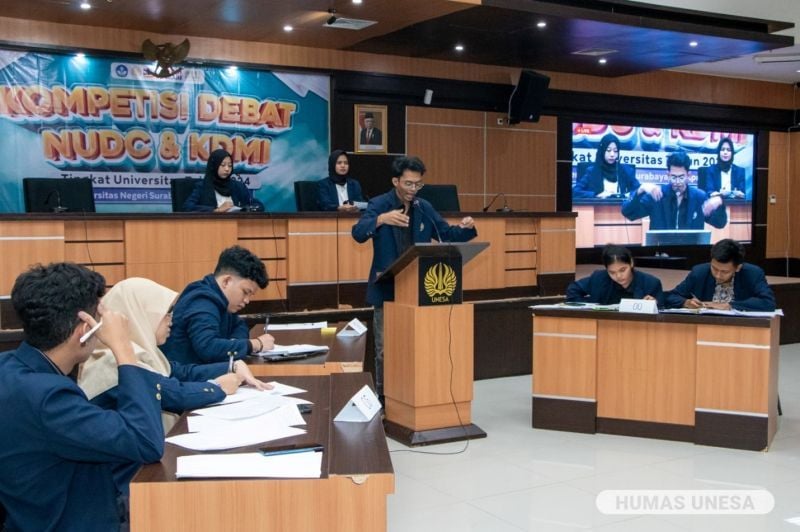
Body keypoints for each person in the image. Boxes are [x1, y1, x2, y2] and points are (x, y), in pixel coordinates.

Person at [0, 263, 164, 531]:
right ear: (84, 329)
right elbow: (146, 442)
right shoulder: (49, 397)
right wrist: (123, 347)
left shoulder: (8, 367)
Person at [352, 155, 477, 399]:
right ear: (395, 181)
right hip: (386, 288)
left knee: (416, 346)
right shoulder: (379, 204)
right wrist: (380, 220)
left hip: (417, 288)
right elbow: (357, 233)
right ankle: (385, 400)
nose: (413, 189)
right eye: (409, 184)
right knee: (385, 351)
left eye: (418, 184)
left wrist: (465, 228)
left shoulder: (423, 207)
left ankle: (411, 397)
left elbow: (445, 234)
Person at [79, 278, 271, 432]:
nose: (172, 320)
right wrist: (217, 387)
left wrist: (232, 366)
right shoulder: (112, 360)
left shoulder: (144, 353)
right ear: (141, 315)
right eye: (166, 313)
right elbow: (174, 393)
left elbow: (179, 372)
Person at [161, 245, 274, 365]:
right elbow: (208, 348)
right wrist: (255, 344)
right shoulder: (201, 302)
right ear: (226, 281)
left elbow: (240, 325)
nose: (247, 300)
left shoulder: (221, 299)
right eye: (245, 292)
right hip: (184, 378)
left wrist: (233, 343)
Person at [621, 150, 727, 230]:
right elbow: (628, 213)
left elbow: (720, 223)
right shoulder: (657, 195)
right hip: (661, 252)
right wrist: (641, 190)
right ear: (668, 175)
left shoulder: (699, 197)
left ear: (688, 175)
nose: (677, 181)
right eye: (673, 177)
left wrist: (720, 202)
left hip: (692, 252)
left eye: (681, 177)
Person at [665, 238, 776, 311]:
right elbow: (671, 296)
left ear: (738, 267)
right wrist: (686, 302)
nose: (718, 275)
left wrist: (730, 306)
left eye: (724, 272)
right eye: (714, 268)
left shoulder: (753, 274)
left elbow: (768, 302)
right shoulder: (700, 272)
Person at [566, 244, 664, 306]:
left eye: (622, 270)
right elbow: (573, 290)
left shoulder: (651, 283)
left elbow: (662, 311)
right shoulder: (599, 278)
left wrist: (653, 305)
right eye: (612, 272)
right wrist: (591, 306)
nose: (618, 276)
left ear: (631, 263)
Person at [183, 148, 264, 212]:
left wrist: (244, 209)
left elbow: (258, 205)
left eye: (229, 165)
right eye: (223, 165)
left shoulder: (238, 186)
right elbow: (187, 207)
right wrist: (216, 210)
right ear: (214, 166)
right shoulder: (202, 187)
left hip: (236, 226)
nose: (227, 169)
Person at [573, 133, 639, 199]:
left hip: (621, 207)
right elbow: (575, 192)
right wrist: (596, 195)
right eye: (608, 150)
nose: (612, 154)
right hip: (598, 207)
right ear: (602, 151)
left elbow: (638, 189)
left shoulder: (626, 170)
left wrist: (628, 195)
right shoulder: (592, 171)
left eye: (615, 151)